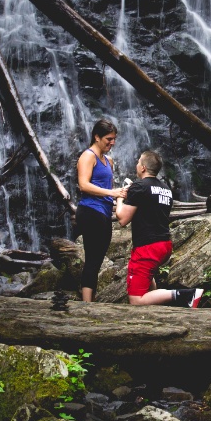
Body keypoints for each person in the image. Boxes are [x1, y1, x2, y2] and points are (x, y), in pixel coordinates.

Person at [115, 150, 203, 307]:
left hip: (148, 247)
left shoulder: (139, 186)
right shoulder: (166, 189)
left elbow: (122, 219)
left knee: (136, 300)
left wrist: (120, 197)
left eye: (138, 162)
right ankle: (156, 311)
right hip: (164, 245)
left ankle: (185, 295)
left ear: (142, 168)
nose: (136, 164)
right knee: (148, 278)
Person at [75, 119, 122, 302]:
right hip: (90, 211)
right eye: (108, 139)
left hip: (103, 212)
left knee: (97, 258)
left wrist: (119, 195)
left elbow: (108, 188)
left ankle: (89, 300)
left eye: (114, 139)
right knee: (93, 259)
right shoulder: (88, 156)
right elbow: (84, 185)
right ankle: (87, 304)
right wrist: (112, 192)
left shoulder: (108, 160)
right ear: (96, 136)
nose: (112, 143)